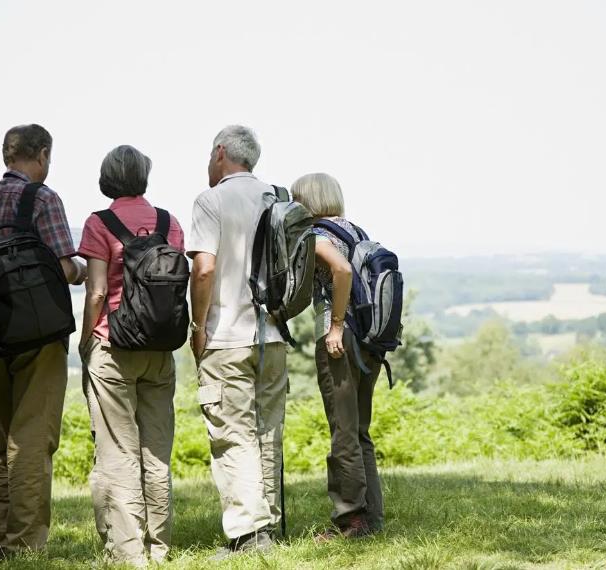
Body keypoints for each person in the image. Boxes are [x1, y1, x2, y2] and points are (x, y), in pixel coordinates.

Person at [0, 124, 86, 563]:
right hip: (38, 338)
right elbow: (63, 267)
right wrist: (82, 271)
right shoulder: (44, 199)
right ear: (43, 154)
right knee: (33, 441)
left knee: (0, 444)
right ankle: (24, 549)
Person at [77, 145, 185, 567]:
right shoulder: (169, 223)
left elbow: (97, 292)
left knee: (118, 452)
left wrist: (86, 341)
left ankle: (128, 552)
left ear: (107, 179)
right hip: (160, 348)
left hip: (114, 346)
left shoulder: (98, 223)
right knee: (156, 452)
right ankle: (160, 548)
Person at [187, 125, 287, 556]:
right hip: (273, 335)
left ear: (221, 152)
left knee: (232, 434)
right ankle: (269, 527)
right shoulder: (277, 198)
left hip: (226, 335)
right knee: (267, 432)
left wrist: (198, 327)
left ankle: (248, 534)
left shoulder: (210, 201)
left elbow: (204, 268)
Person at [291, 172, 384, 539]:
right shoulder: (355, 231)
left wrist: (335, 325)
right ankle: (371, 517)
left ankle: (351, 521)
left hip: (340, 340)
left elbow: (341, 270)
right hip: (370, 339)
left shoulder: (316, 235)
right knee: (359, 431)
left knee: (343, 431)